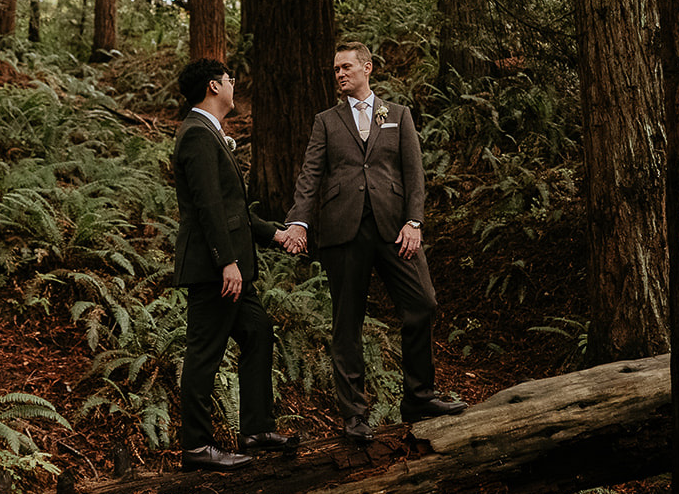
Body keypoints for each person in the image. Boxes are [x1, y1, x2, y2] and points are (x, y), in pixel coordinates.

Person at [282, 42, 467, 442]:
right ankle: (355, 416)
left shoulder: (398, 116)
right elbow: (310, 175)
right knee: (346, 323)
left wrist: (414, 221)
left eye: (346, 67)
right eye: (335, 69)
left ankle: (419, 397)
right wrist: (298, 222)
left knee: (422, 303)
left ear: (368, 68)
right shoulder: (326, 122)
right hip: (342, 231)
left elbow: (414, 174)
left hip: (393, 228)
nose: (340, 74)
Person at [173, 58, 296, 471]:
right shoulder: (196, 135)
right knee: (204, 353)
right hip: (215, 271)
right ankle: (196, 447)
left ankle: (256, 428)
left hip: (233, 268)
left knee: (258, 331)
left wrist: (275, 234)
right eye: (229, 80)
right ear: (213, 86)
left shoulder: (212, 132)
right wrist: (226, 261)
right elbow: (207, 207)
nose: (233, 85)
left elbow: (233, 209)